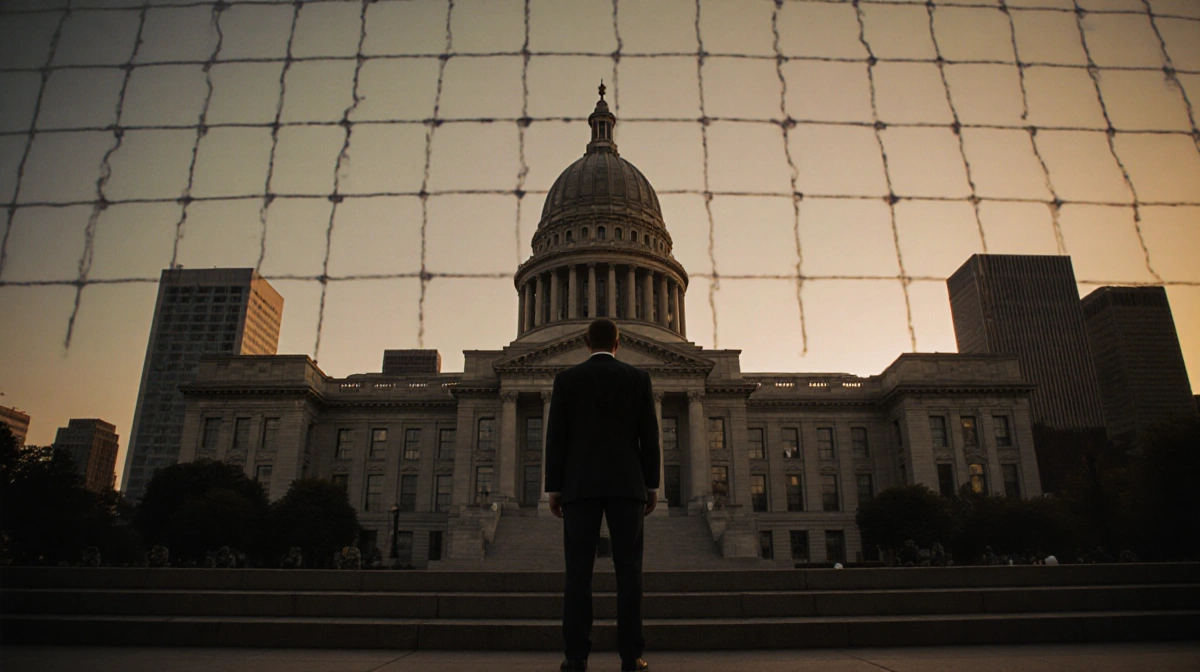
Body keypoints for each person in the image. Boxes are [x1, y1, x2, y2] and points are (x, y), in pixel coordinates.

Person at [546, 318, 660, 672]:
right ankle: (631, 656)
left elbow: (557, 438)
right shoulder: (639, 379)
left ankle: (576, 657)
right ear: (618, 342)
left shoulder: (567, 379)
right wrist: (651, 484)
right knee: (630, 575)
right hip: (627, 487)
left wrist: (555, 487)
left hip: (580, 488)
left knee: (578, 575)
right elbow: (649, 438)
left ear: (585, 341)